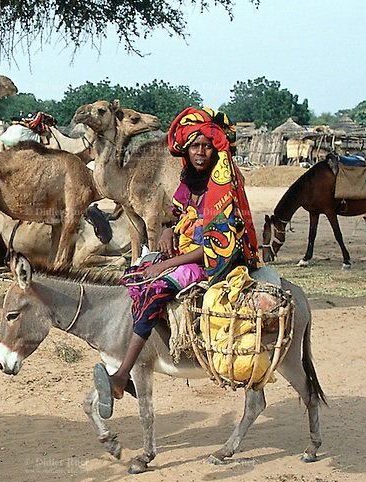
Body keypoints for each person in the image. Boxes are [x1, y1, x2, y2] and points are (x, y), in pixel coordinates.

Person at [92, 107, 261, 418]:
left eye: (206, 146)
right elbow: (185, 216)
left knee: (154, 288)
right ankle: (139, 355)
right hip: (187, 251)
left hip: (215, 261)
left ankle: (121, 376)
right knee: (131, 278)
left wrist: (166, 265)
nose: (199, 152)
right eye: (194, 146)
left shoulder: (222, 183)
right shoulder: (193, 178)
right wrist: (170, 229)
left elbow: (217, 244)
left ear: (216, 148)